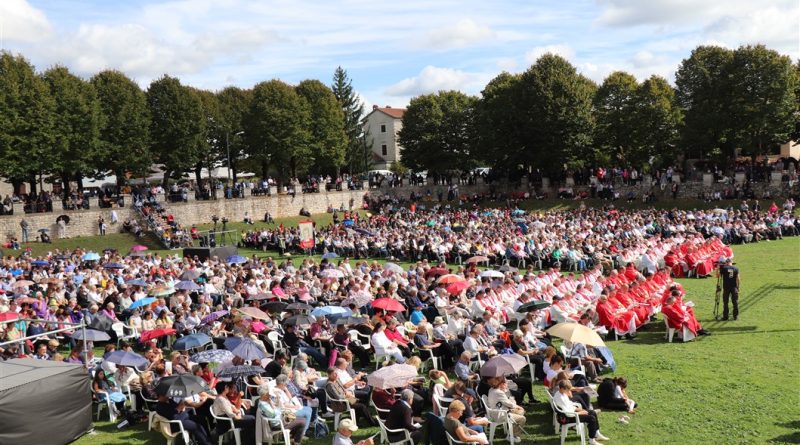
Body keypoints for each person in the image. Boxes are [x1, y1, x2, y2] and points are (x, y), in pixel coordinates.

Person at [552, 380, 609, 445]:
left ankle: (597, 433)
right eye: (567, 390)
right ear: (562, 388)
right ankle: (591, 440)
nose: (569, 392)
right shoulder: (560, 398)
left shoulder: (560, 393)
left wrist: (577, 409)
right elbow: (568, 413)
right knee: (591, 418)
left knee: (593, 412)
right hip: (566, 418)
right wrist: (580, 413)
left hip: (569, 414)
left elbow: (568, 405)